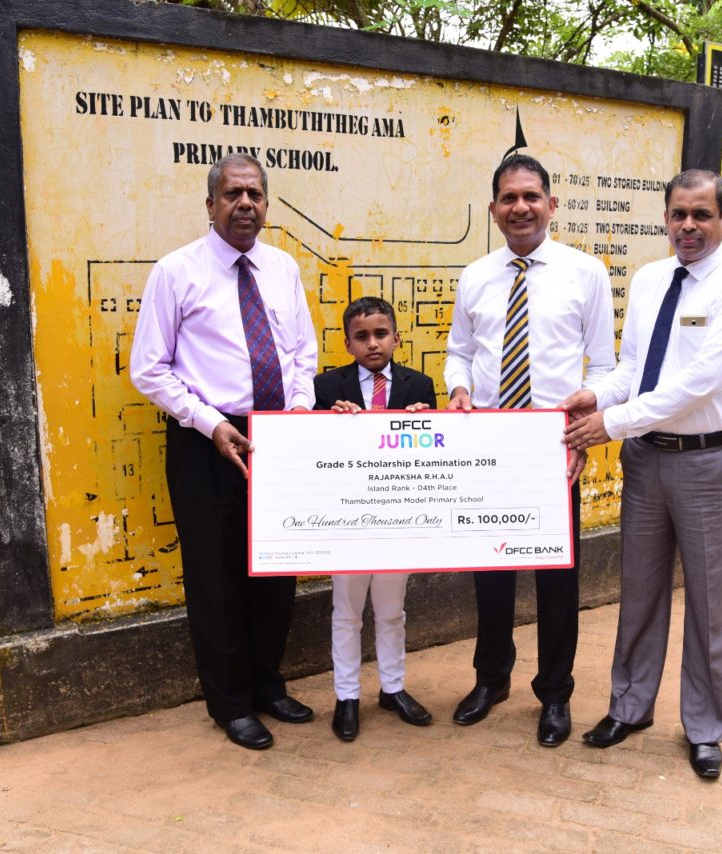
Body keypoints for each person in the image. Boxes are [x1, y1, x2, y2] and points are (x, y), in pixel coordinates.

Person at [562, 169, 722, 779]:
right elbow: (634, 367)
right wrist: (595, 397)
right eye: (679, 214)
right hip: (648, 459)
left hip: (709, 460)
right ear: (667, 217)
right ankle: (630, 707)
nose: (688, 226)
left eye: (702, 215)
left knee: (710, 601)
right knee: (640, 591)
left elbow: (696, 382)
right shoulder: (651, 279)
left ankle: (704, 728)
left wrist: (615, 421)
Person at [130, 153, 319, 751]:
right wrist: (210, 423)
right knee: (216, 579)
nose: (245, 204)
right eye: (233, 193)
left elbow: (301, 354)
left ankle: (267, 684)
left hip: (275, 436)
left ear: (267, 204)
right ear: (211, 204)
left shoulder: (283, 268)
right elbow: (149, 369)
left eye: (255, 195)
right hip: (206, 442)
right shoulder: (175, 272)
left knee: (276, 572)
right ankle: (230, 703)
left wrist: (296, 413)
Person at [443, 154, 616, 747]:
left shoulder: (586, 272)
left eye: (531, 197)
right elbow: (459, 352)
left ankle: (555, 693)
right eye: (508, 198)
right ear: (493, 209)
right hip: (489, 445)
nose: (520, 207)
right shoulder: (475, 275)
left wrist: (587, 420)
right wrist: (460, 388)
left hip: (553, 448)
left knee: (556, 579)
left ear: (551, 205)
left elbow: (608, 366)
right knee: (490, 572)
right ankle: (491, 679)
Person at [314, 296, 437, 742]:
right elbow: (312, 446)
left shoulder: (418, 385)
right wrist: (330, 420)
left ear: (397, 338)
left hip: (397, 518)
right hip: (347, 518)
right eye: (361, 336)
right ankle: (347, 695)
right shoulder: (327, 387)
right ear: (347, 343)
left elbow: (436, 449)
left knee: (391, 610)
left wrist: (426, 423)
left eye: (380, 333)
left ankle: (393, 687)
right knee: (346, 611)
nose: (372, 343)